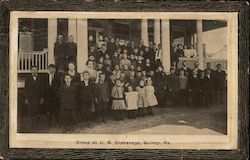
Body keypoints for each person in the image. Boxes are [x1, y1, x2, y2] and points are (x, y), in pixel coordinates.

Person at [24, 65, 45, 132]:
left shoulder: (41, 79)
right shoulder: (28, 79)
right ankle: (32, 126)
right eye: (33, 70)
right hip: (30, 98)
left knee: (37, 112)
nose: (34, 71)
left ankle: (37, 126)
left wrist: (42, 98)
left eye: (35, 69)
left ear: (37, 70)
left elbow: (42, 89)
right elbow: (26, 89)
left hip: (38, 98)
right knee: (31, 112)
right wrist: (26, 98)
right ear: (31, 71)